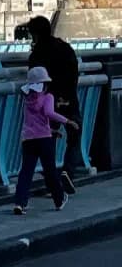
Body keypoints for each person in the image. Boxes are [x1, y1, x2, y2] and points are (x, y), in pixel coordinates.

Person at [26, 15, 81, 194]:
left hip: (47, 102)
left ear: (35, 35)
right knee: (74, 135)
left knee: (48, 139)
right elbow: (74, 72)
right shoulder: (65, 48)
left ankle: (53, 182)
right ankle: (68, 172)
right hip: (69, 97)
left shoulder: (37, 55)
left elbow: (34, 81)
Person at [14, 66, 78, 214]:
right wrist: (67, 121)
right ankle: (59, 199)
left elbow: (34, 122)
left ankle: (20, 203)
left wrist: (53, 131)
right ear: (44, 83)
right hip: (44, 139)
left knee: (26, 172)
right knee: (50, 171)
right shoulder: (48, 97)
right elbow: (49, 113)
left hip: (28, 139)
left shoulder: (27, 99)